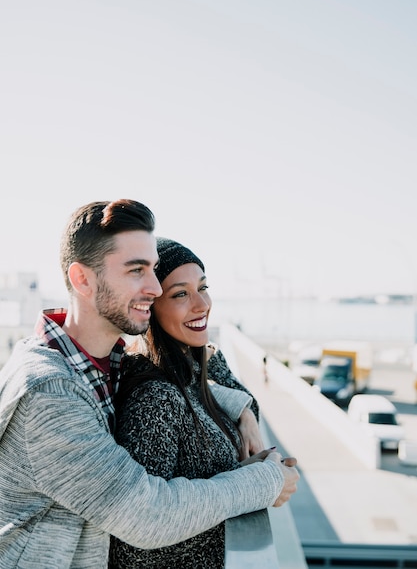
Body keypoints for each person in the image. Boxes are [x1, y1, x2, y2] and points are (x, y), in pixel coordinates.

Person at [0, 199, 299, 569]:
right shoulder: (50, 393)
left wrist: (242, 410)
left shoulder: (106, 361)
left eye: (154, 271)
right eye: (136, 271)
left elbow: (196, 369)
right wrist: (265, 480)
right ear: (82, 280)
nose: (156, 288)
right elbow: (147, 514)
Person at [109, 237, 298, 568]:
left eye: (203, 287)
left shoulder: (193, 361)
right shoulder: (156, 399)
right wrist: (260, 485)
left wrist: (244, 415)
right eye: (181, 294)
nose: (202, 304)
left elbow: (233, 387)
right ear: (150, 306)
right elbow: (134, 544)